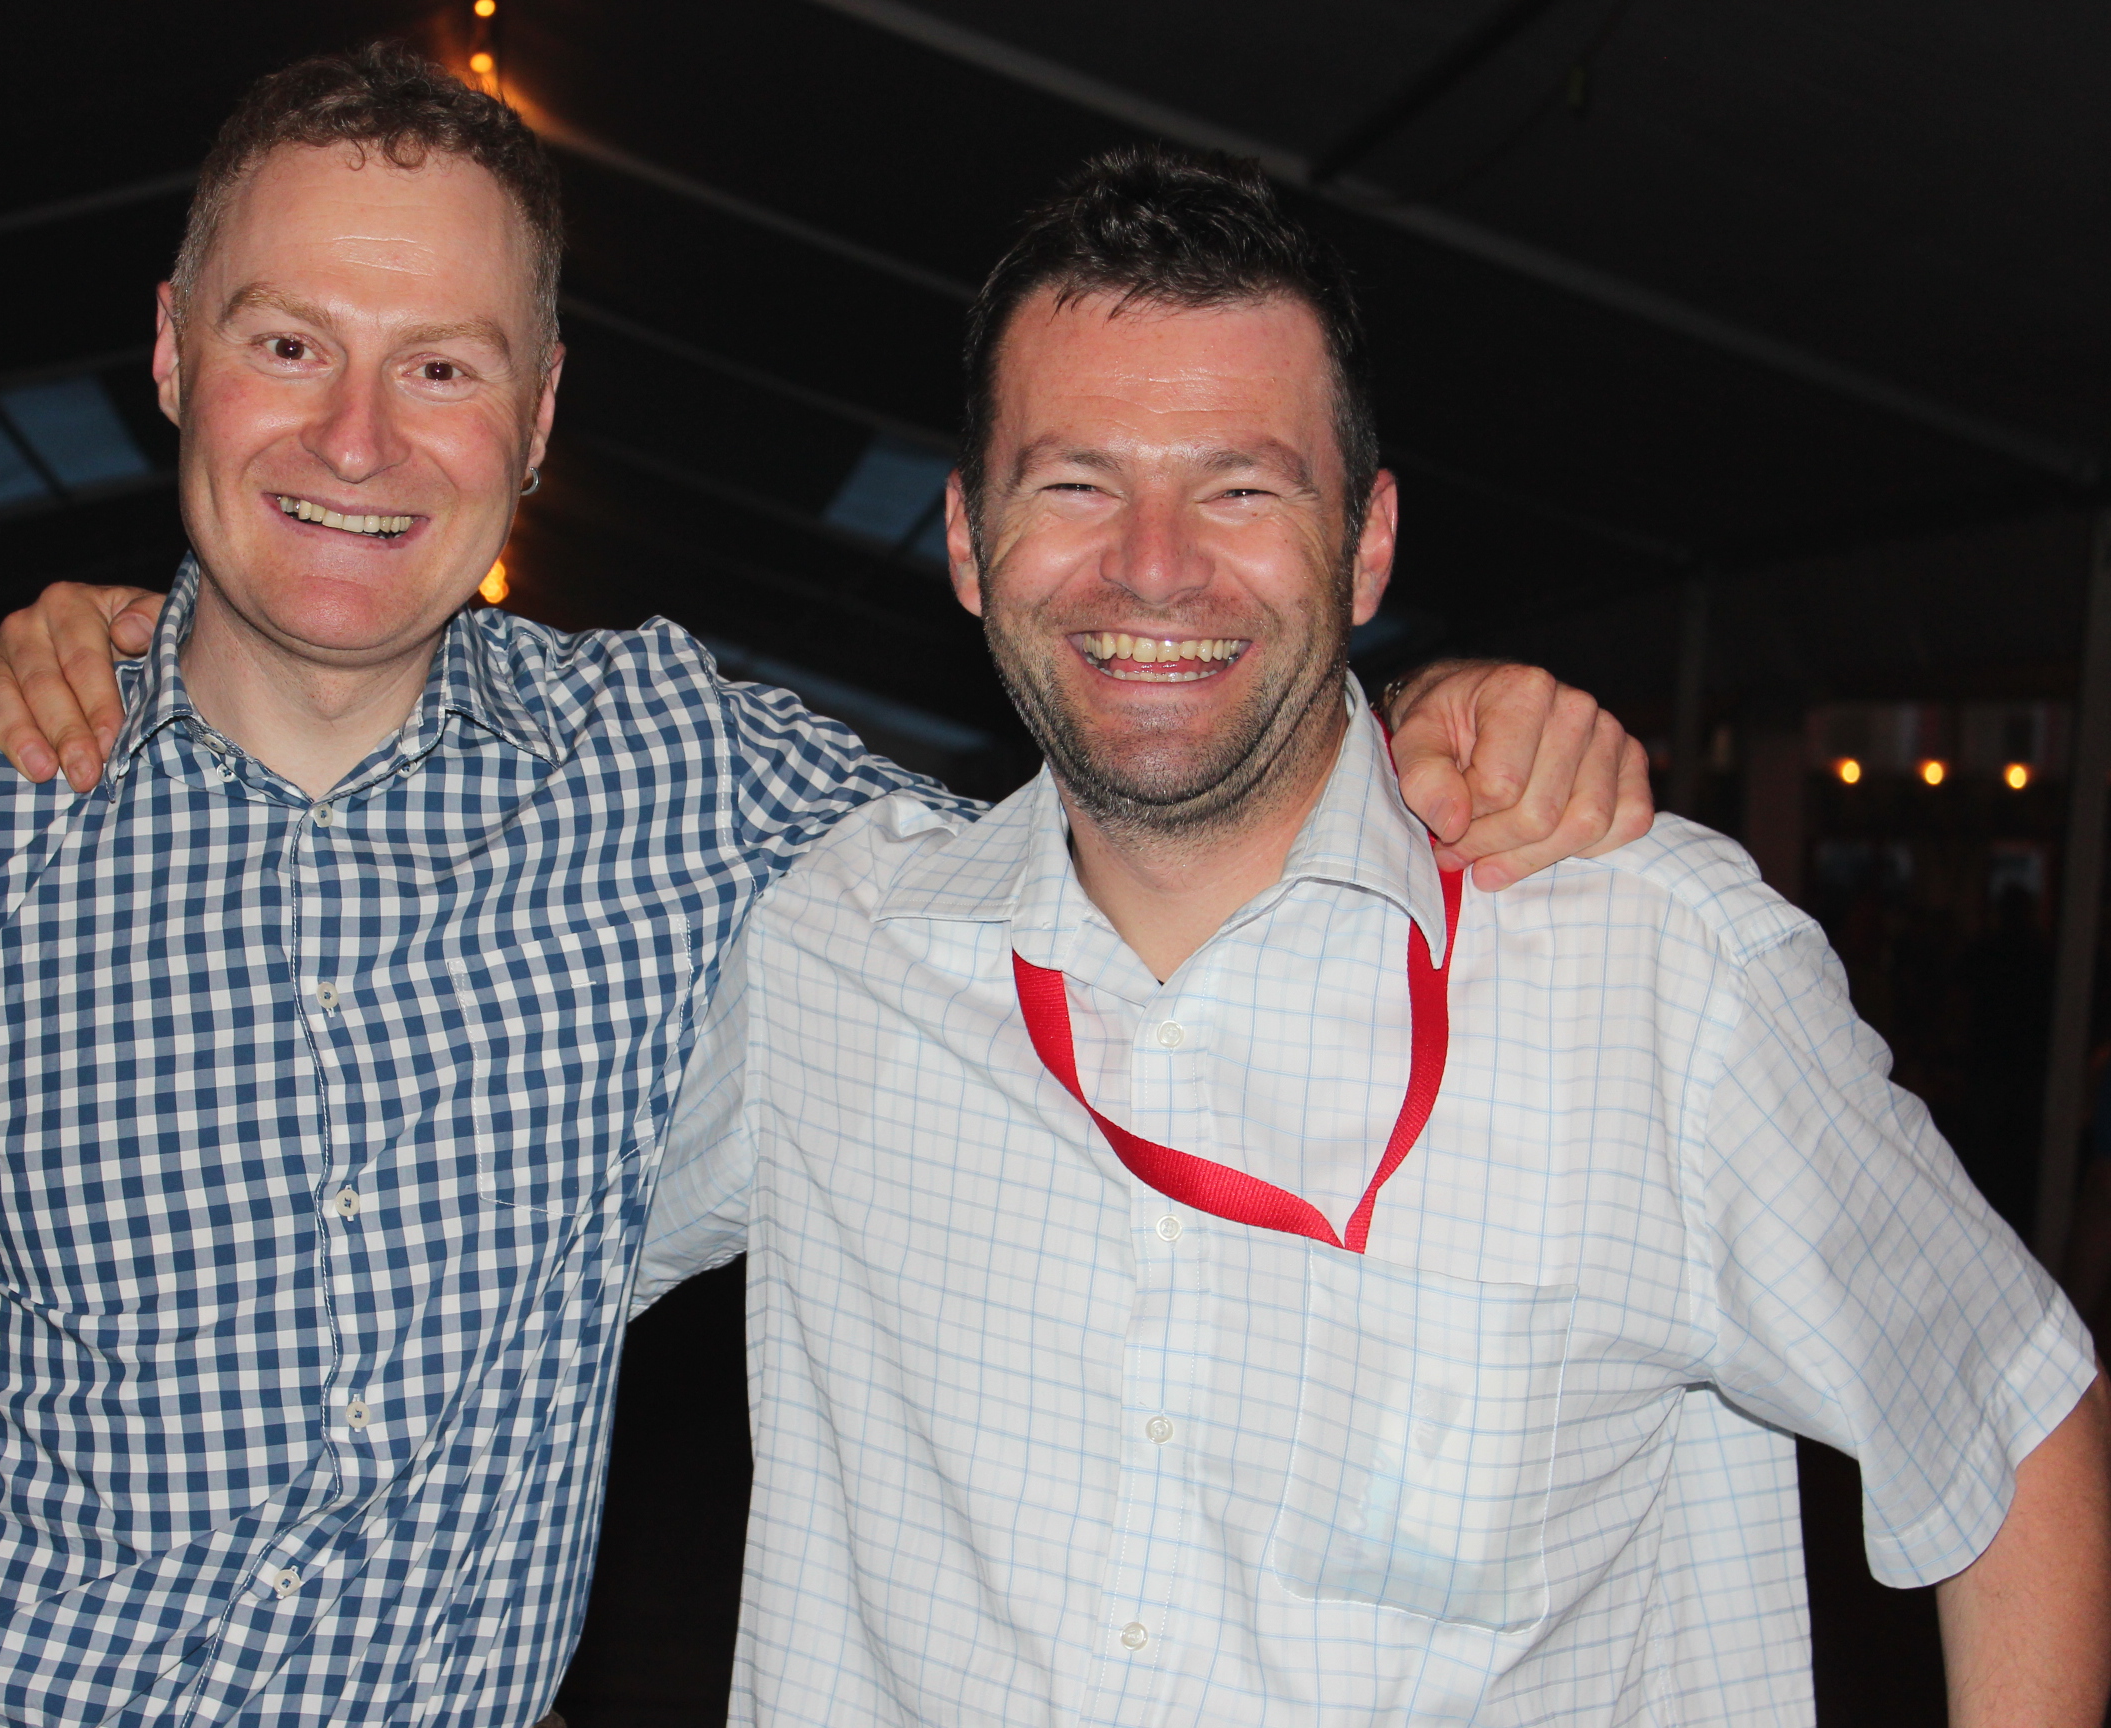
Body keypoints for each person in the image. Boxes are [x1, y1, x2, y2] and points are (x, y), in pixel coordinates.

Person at [0, 47, 1646, 1728]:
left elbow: (1100, 836)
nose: (359, 439)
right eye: (288, 345)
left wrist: (1426, 709)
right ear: (172, 355)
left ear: (540, 417)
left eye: (442, 366)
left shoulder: (676, 769)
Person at [630, 148, 2111, 1725]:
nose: (1153, 564)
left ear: (1370, 539)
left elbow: (2016, 1428)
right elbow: (494, 1246)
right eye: (1075, 484)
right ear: (965, 541)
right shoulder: (826, 958)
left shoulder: (1658, 976)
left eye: (1242, 487)